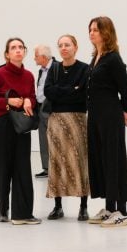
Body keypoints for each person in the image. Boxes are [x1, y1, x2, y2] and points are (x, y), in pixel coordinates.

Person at [0, 37, 40, 225]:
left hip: (22, 125)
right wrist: (8, 102)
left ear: (24, 51)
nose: (18, 50)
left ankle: (23, 213)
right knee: (3, 167)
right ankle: (3, 208)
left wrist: (28, 101)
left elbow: (32, 97)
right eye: (13, 48)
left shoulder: (29, 76)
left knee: (23, 168)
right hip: (3, 124)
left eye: (20, 47)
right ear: (7, 54)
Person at [86, 16, 127, 228]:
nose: (92, 33)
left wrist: (124, 112)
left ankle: (122, 211)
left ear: (106, 32)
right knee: (101, 160)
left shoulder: (113, 59)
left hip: (110, 116)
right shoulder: (96, 56)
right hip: (95, 116)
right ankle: (109, 207)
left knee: (114, 160)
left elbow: (126, 90)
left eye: (96, 29)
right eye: (90, 29)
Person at [43, 34, 90, 221]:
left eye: (67, 45)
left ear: (75, 47)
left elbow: (82, 95)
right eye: (60, 45)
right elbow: (48, 91)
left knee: (79, 162)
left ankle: (83, 206)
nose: (64, 48)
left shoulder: (85, 69)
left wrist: (63, 92)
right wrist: (72, 89)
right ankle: (57, 206)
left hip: (78, 120)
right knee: (56, 163)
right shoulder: (54, 69)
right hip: (56, 121)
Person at [33, 44, 54, 178]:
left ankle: (57, 168)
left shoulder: (57, 67)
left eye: (36, 56)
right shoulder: (41, 70)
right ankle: (47, 168)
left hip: (52, 109)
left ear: (43, 57)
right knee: (43, 139)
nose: (34, 58)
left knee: (55, 139)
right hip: (41, 108)